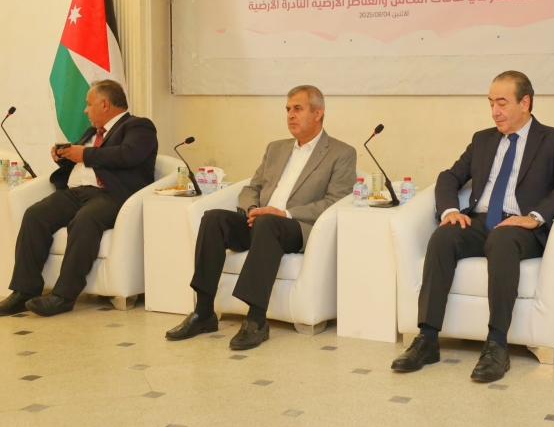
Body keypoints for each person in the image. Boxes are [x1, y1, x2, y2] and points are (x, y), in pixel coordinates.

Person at [391, 70, 554, 382]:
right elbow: (449, 177)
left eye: (502, 103)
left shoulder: (553, 140)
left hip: (520, 228)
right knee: (443, 237)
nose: (495, 111)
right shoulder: (483, 140)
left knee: (503, 240)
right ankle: (427, 339)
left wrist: (535, 216)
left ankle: (496, 346)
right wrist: (450, 210)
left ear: (525, 103)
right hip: (480, 221)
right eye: (491, 103)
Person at [166, 86, 356, 350]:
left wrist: (283, 213)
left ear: (318, 113)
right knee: (213, 219)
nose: (290, 115)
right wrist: (253, 208)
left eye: (298, 109)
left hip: (296, 227)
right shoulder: (276, 148)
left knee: (268, 223)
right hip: (260, 221)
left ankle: (256, 320)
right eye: (288, 109)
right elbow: (251, 188)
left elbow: (334, 202)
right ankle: (204, 312)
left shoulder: (341, 153)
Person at [0, 80, 158, 317]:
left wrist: (83, 153)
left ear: (105, 104)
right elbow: (83, 160)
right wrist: (64, 156)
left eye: (88, 104)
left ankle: (63, 297)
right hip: (77, 192)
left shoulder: (138, 126)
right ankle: (24, 291)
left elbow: (128, 155)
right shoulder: (93, 132)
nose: (85, 110)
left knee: (85, 221)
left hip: (112, 194)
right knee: (35, 215)